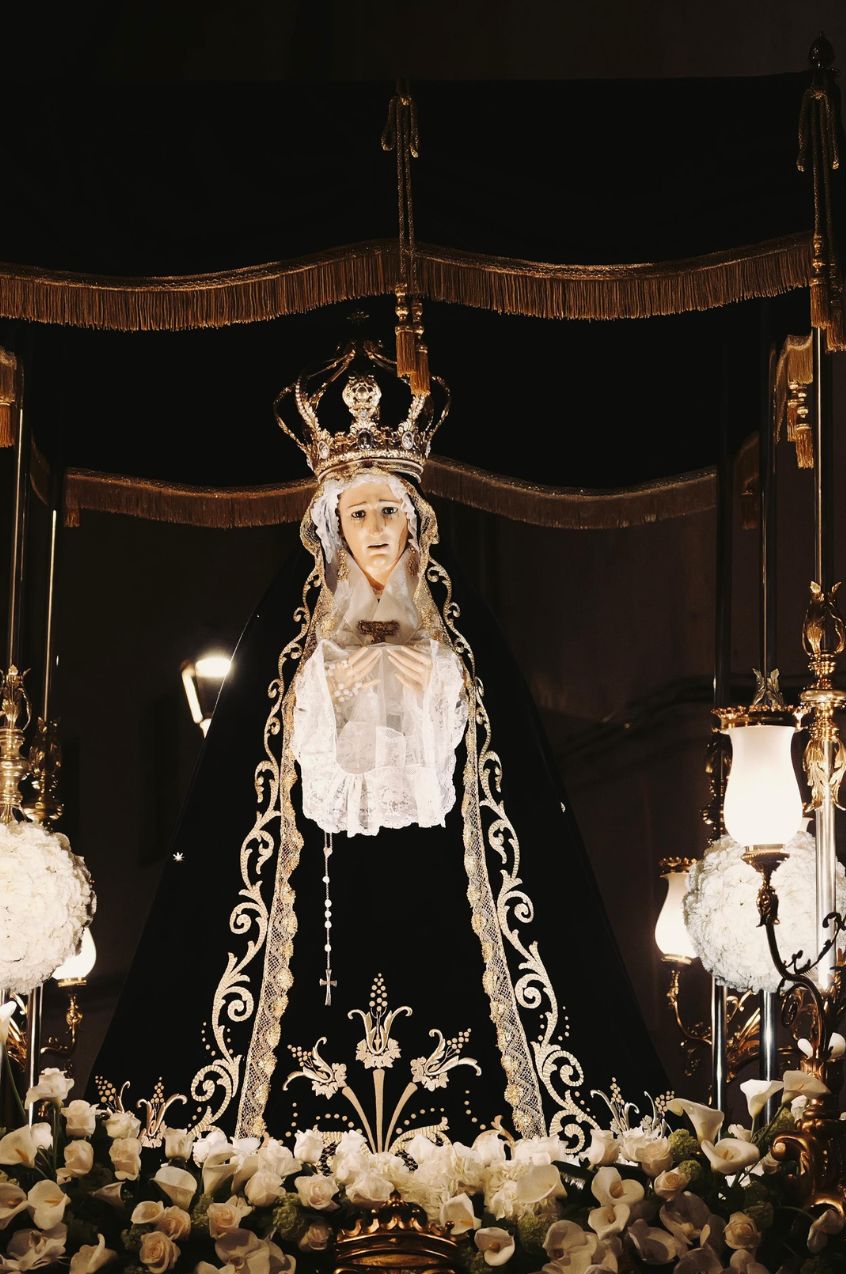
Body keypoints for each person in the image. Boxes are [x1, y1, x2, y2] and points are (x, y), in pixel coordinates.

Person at [94, 337, 668, 1151]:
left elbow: (498, 774)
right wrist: (329, 685)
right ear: (330, 524)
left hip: (445, 879)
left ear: (415, 522)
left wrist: (432, 677)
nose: (373, 529)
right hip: (318, 883)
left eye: (388, 511)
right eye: (358, 512)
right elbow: (260, 771)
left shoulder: (461, 640)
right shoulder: (290, 645)